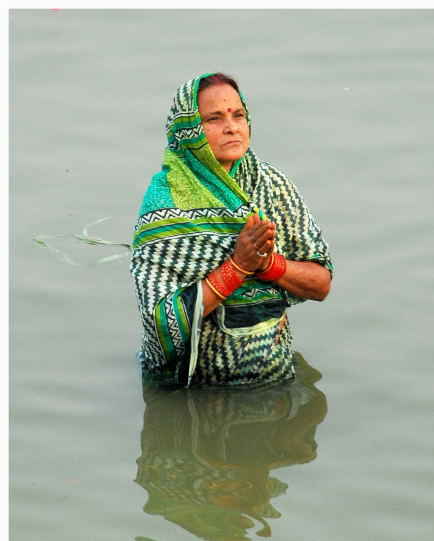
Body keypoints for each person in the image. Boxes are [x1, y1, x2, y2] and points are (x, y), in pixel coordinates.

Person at [130, 72, 332, 387]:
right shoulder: (165, 203)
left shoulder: (273, 186)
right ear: (189, 130)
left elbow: (320, 284)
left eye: (238, 115)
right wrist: (237, 268)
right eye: (214, 118)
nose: (231, 126)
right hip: (193, 394)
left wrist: (268, 265)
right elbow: (161, 328)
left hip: (274, 383)